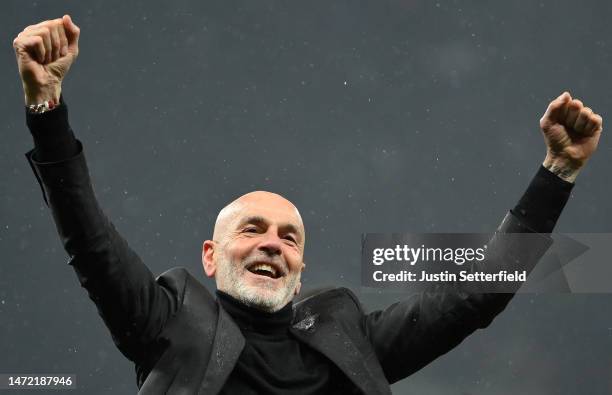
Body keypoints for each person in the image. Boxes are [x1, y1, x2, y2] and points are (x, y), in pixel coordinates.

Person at [13, 15, 603, 395]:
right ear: (211, 256)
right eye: (253, 229)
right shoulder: (166, 320)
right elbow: (89, 241)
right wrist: (47, 108)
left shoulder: (349, 335)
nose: (273, 241)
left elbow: (478, 292)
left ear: (300, 272)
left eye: (290, 237)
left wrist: (558, 172)